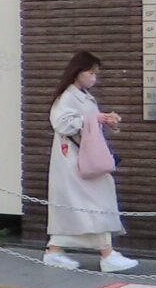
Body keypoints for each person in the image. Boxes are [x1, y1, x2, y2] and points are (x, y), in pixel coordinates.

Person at [45, 51, 136, 272]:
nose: (94, 78)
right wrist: (95, 118)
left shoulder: (81, 95)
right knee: (94, 204)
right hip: (74, 162)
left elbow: (84, 122)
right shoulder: (68, 97)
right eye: (91, 73)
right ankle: (107, 253)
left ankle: (55, 250)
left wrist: (104, 120)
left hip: (81, 161)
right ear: (78, 72)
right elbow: (61, 124)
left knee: (83, 207)